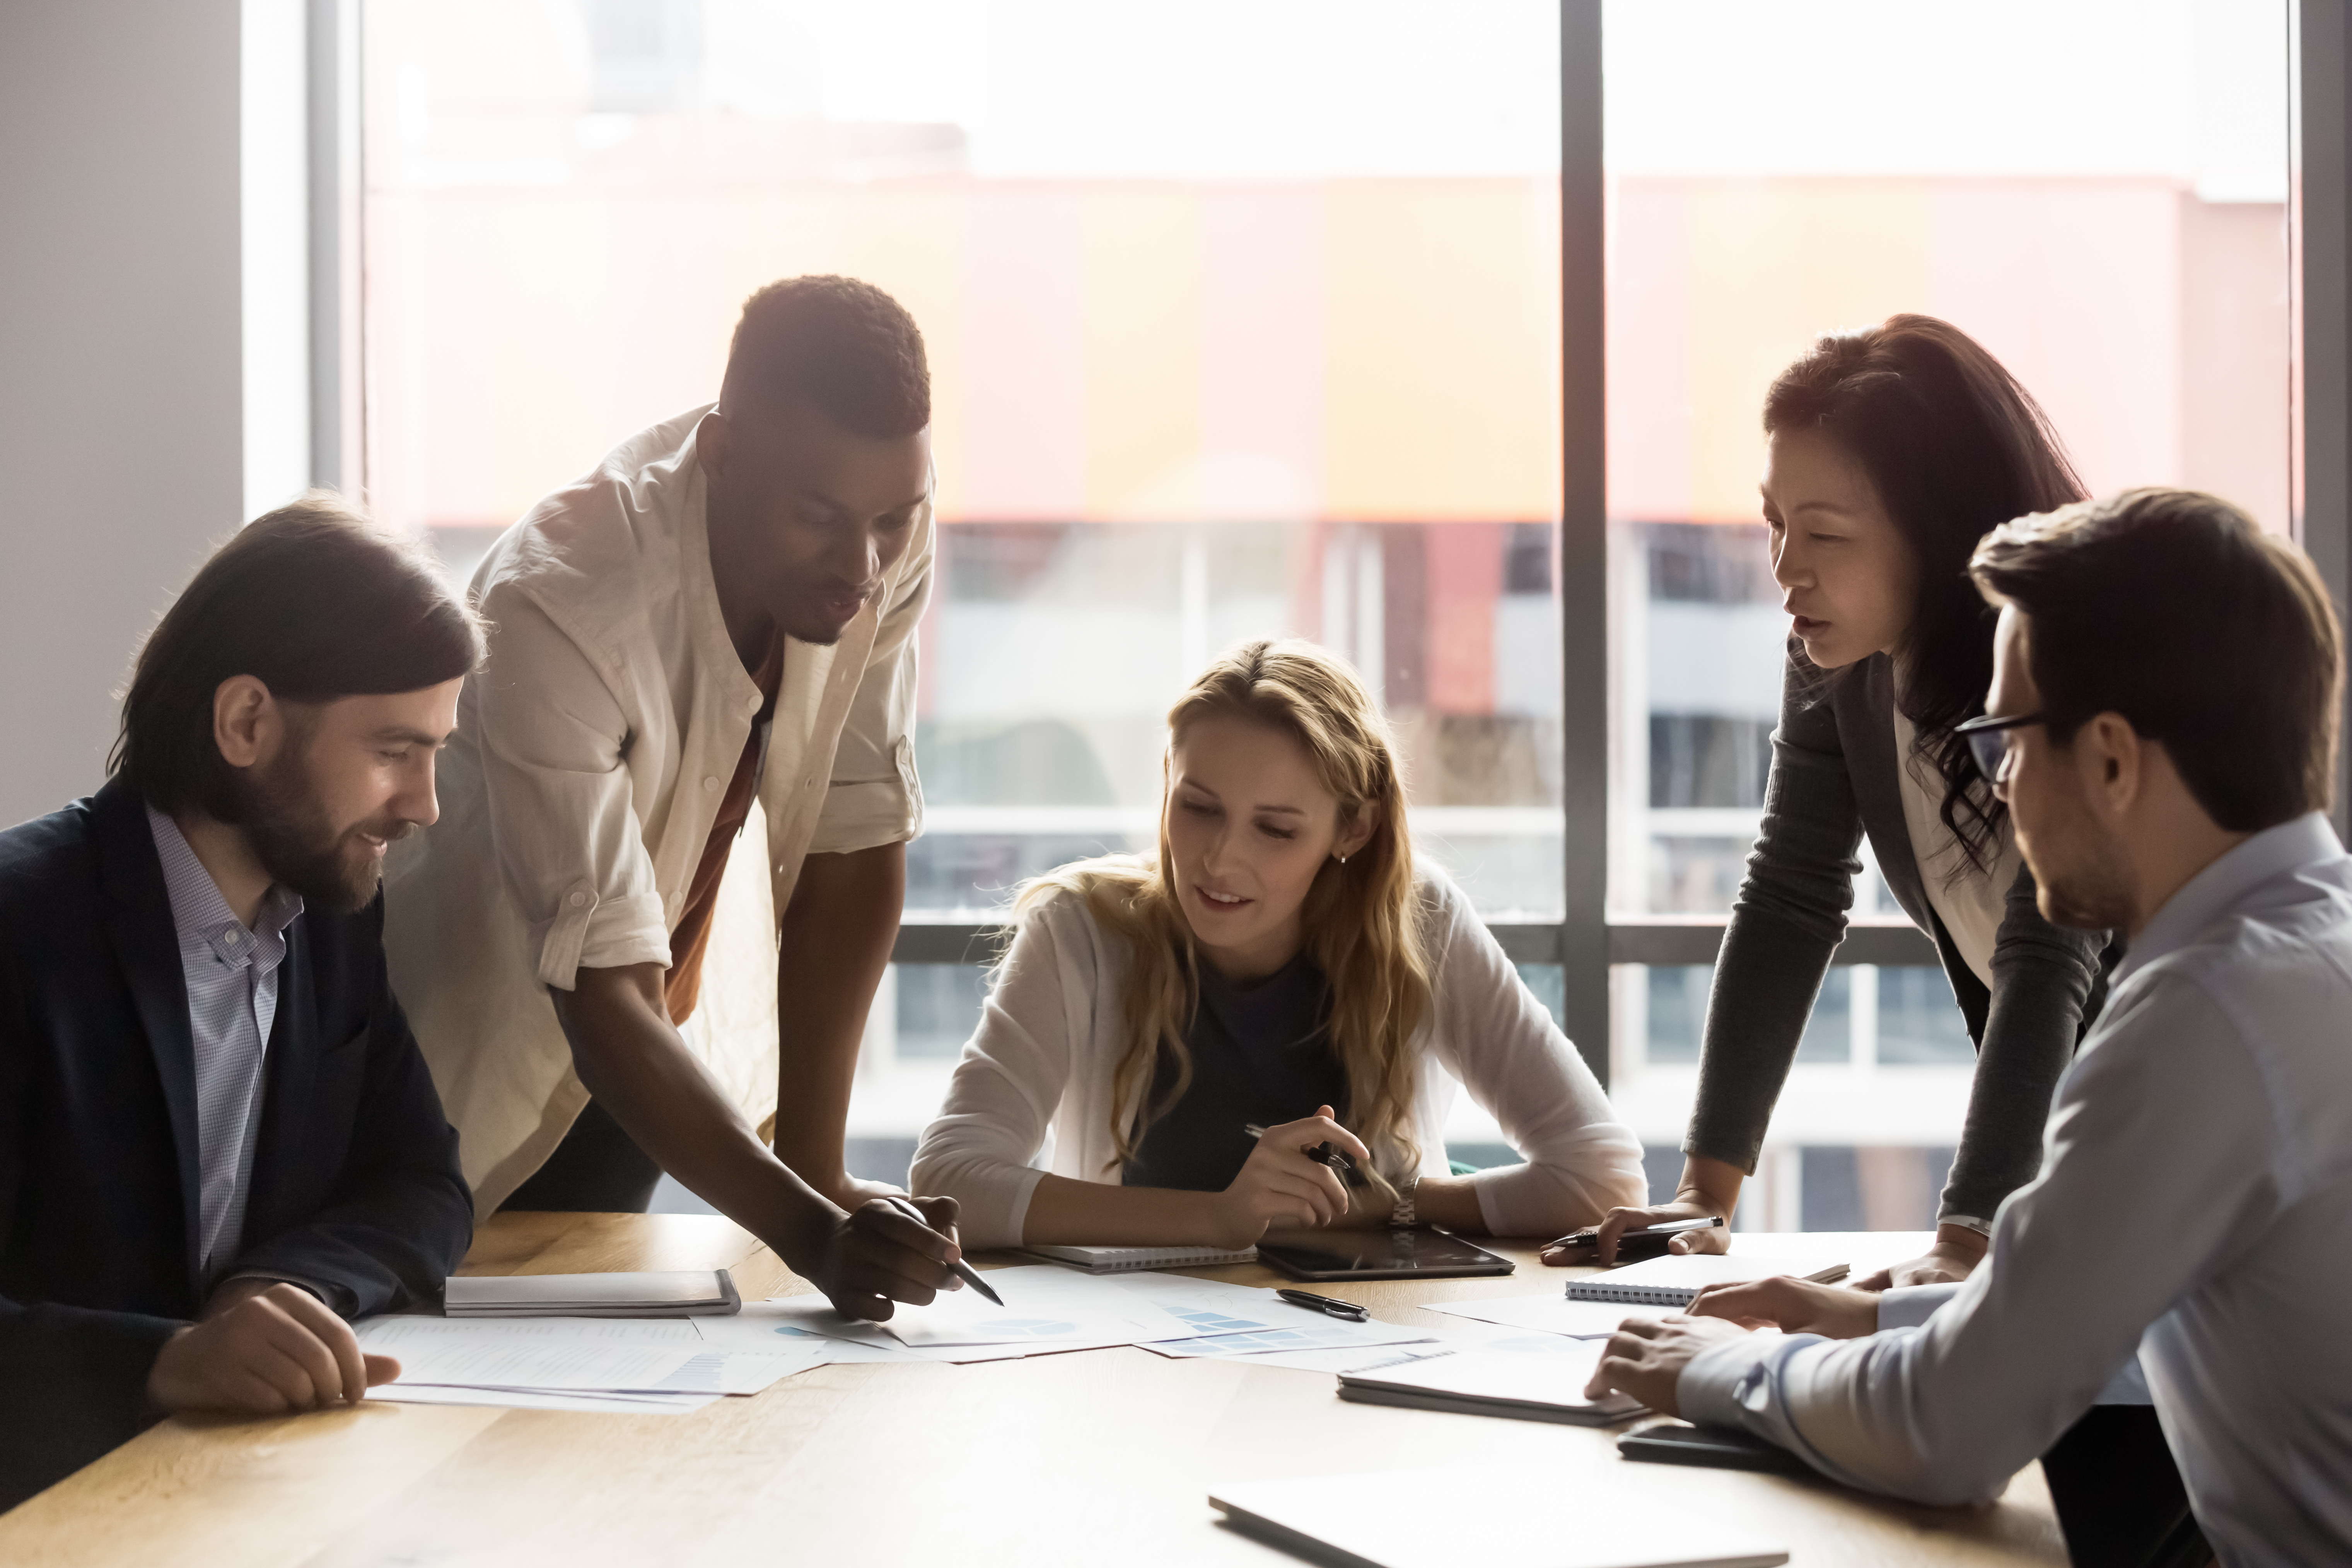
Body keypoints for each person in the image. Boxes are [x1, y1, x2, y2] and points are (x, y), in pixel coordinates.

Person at [1586, 488, 2352, 1567]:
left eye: (2002, 744)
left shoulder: (2205, 1018)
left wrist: (1715, 1365)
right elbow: (2116, 1316)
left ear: (2115, 761)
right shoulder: (2312, 949)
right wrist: (1866, 1321)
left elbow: (1948, 1432)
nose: (1995, 792)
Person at [383, 275, 963, 1322]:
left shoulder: (875, 532)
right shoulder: (559, 603)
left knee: (609, 1436)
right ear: (723, 453)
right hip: (461, 1078)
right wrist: (816, 1236)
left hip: (647, 1076)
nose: (862, 563)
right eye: (822, 519)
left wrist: (821, 1177)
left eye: (893, 519)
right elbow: (600, 1002)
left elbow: (854, 836)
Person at [1565, 315, 2111, 1290]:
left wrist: (1966, 1233)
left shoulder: (2060, 656)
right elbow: (1789, 892)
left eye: (1823, 534)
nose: (1783, 570)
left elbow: (2046, 942)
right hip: (2088, 1157)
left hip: (2194, 1109)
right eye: (1773, 522)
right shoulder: (1841, 659)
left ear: (1942, 534)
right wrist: (1704, 1195)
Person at [0, 497, 478, 1510]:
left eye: (436, 753)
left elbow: (422, 1184)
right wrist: (165, 1360)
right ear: (247, 721)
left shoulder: (333, 919)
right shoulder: (20, 928)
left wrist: (286, 1287)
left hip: (229, 1489)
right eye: (396, 750)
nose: (424, 804)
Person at [911, 640, 1647, 1251]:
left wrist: (1391, 1205)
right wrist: (1221, 1218)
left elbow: (1602, 1178)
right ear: (1166, 781)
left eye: (1276, 829)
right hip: (1129, 1364)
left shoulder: (1415, 920)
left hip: (1365, 1345)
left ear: (1352, 830)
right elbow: (949, 1179)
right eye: (1198, 808)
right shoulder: (1079, 931)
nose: (1219, 860)